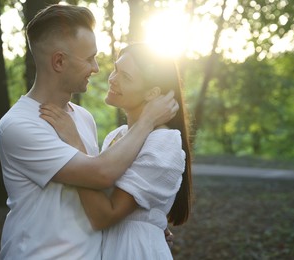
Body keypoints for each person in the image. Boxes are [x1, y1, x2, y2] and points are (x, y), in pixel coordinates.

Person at [0, 4, 178, 260]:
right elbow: (99, 174)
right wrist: (148, 119)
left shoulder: (83, 118)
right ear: (59, 61)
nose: (97, 68)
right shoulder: (19, 125)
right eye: (89, 58)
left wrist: (144, 225)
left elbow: (102, 190)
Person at [40, 43, 193, 259]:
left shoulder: (163, 141)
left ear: (152, 93)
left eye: (126, 77)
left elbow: (106, 213)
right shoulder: (116, 136)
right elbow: (96, 196)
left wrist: (74, 142)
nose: (112, 78)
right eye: (116, 69)